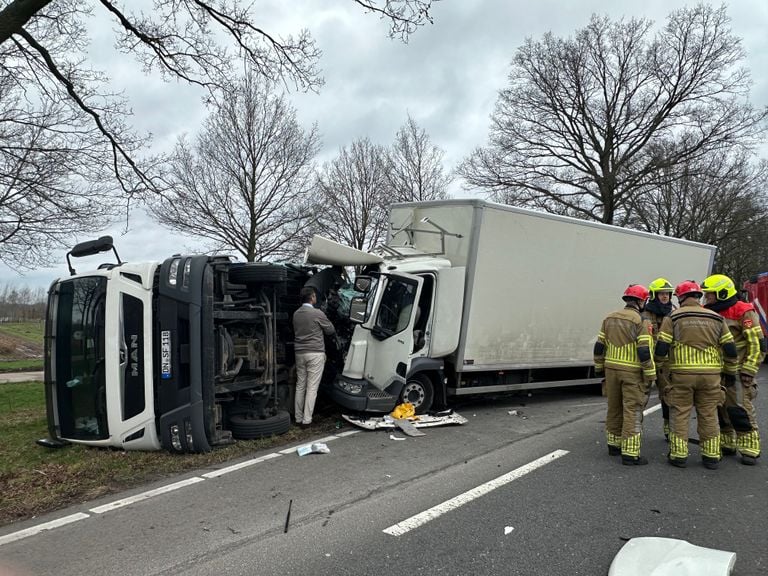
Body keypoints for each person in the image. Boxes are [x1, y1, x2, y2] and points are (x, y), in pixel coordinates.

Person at [654, 281, 738, 469]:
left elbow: (662, 347)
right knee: (709, 414)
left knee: (680, 413)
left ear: (681, 297)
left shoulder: (673, 317)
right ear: (698, 297)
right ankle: (711, 456)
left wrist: (658, 367)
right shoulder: (717, 318)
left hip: (683, 375)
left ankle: (678, 455)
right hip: (711, 376)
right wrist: (730, 372)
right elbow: (731, 349)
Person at [701, 274, 767, 465]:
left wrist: (749, 369)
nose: (707, 298)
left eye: (711, 294)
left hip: (738, 370)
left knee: (739, 409)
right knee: (719, 409)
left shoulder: (743, 311)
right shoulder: (708, 311)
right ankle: (727, 443)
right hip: (715, 371)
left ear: (722, 293)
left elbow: (757, 344)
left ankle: (749, 447)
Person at [594, 284, 656, 466]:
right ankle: (630, 453)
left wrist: (599, 367)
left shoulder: (609, 317)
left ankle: (613, 445)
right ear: (640, 301)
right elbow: (644, 350)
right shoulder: (641, 321)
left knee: (614, 407)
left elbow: (599, 346)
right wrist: (650, 375)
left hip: (611, 370)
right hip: (632, 372)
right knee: (632, 410)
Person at [293, 286, 336, 428]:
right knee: (312, 387)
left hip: (299, 353)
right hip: (315, 353)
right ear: (312, 297)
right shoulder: (317, 313)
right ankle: (307, 420)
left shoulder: (296, 314)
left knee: (300, 385)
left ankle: (298, 418)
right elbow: (330, 330)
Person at [643, 277, 675, 440]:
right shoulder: (644, 314)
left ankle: (669, 429)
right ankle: (632, 429)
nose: (665, 297)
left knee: (669, 396)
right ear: (654, 295)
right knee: (639, 396)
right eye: (661, 294)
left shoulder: (674, 313)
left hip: (666, 363)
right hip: (646, 361)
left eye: (668, 294)